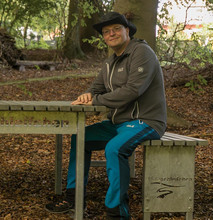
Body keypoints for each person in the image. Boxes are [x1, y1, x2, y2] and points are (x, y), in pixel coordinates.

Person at [45, 11, 167, 219]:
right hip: (117, 123)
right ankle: (74, 198)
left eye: (116, 29)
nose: (111, 34)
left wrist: (96, 100)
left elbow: (133, 90)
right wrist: (88, 94)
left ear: (127, 30)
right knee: (80, 138)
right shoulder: (110, 62)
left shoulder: (142, 52)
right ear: (103, 37)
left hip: (145, 121)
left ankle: (116, 211)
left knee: (115, 148)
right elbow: (96, 88)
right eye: (106, 32)